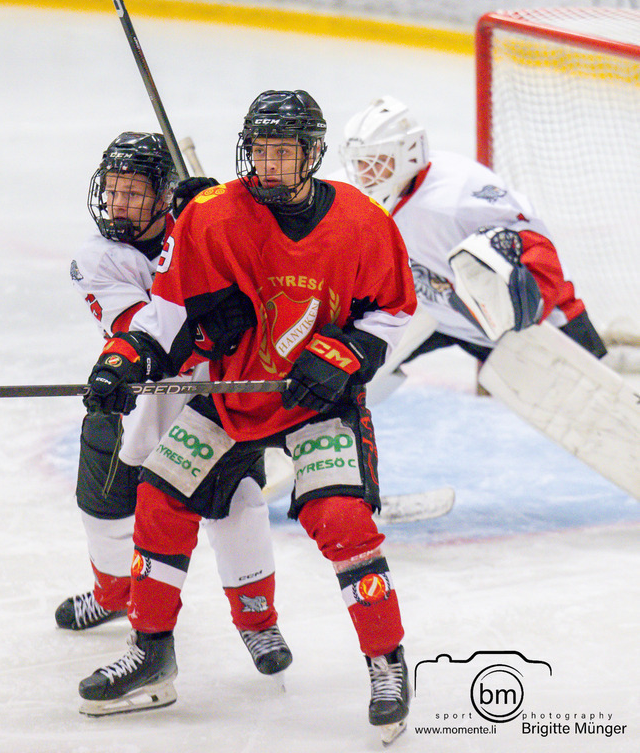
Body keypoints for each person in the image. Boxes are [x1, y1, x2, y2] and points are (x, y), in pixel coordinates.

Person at [76, 91, 418, 745]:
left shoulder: (361, 220)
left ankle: (386, 663)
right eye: (258, 150)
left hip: (317, 401)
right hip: (232, 392)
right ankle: (152, 653)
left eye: (281, 152)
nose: (265, 165)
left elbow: (392, 310)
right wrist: (125, 359)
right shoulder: (211, 215)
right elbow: (166, 315)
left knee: (339, 520)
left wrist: (343, 352)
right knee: (159, 497)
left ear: (313, 156)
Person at [56, 131, 292, 677]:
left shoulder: (200, 225)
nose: (118, 204)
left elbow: (268, 251)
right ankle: (114, 594)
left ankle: (258, 622)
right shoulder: (97, 258)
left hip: (214, 398)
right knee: (104, 513)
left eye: (134, 193)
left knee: (238, 503)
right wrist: (191, 235)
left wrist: (217, 218)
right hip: (134, 398)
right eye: (112, 190)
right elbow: (148, 334)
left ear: (163, 196)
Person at [338, 95, 606, 396]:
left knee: (605, 412)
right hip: (433, 314)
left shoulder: (459, 193)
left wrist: (532, 302)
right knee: (341, 380)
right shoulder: (355, 196)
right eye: (359, 162)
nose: (364, 173)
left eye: (375, 161)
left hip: (522, 327)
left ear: (408, 153)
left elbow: (538, 249)